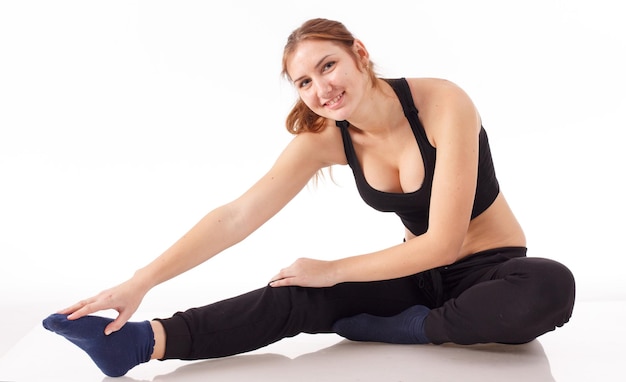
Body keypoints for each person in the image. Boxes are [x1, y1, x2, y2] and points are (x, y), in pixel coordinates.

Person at [42, 18, 576, 378]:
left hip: (490, 270)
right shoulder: (324, 138)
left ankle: (408, 329)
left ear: (359, 54)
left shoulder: (442, 103)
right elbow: (235, 216)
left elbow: (446, 242)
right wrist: (141, 282)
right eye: (303, 82)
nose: (321, 90)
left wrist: (336, 267)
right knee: (295, 291)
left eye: (327, 66)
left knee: (550, 285)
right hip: (415, 277)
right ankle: (143, 342)